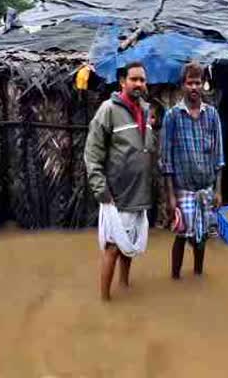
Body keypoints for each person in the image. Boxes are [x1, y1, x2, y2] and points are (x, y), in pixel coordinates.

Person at [84, 61, 155, 301]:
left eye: (142, 80)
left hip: (140, 192)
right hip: (117, 194)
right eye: (134, 79)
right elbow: (92, 153)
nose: (139, 84)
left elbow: (147, 148)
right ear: (122, 82)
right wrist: (100, 188)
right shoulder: (108, 110)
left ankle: (124, 284)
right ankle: (105, 299)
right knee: (113, 248)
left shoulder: (145, 110)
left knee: (130, 246)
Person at [161, 61, 224, 279]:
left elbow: (219, 156)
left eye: (198, 82)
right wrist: (170, 196)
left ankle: (198, 274)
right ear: (182, 86)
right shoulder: (172, 116)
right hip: (183, 189)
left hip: (206, 187)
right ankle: (175, 277)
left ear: (203, 84)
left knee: (201, 237)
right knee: (180, 235)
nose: (194, 87)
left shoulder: (212, 115)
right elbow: (166, 160)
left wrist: (218, 189)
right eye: (190, 83)